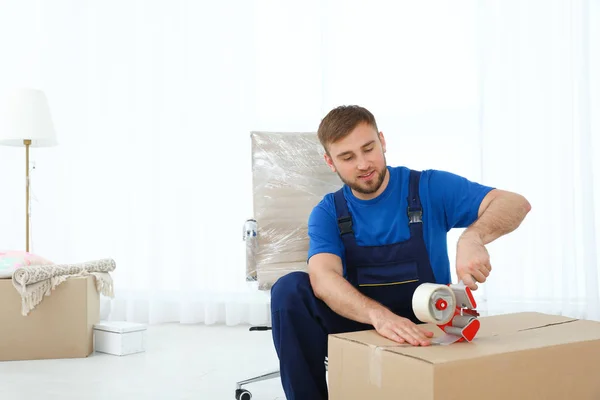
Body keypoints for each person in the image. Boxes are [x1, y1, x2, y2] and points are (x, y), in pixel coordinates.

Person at [269, 105, 531, 400]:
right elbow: (323, 277)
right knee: (289, 289)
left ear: (382, 141)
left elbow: (514, 203)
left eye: (369, 149)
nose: (363, 164)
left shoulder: (428, 188)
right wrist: (379, 317)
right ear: (330, 162)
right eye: (347, 157)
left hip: (426, 319)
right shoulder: (328, 211)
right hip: (361, 323)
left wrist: (473, 237)